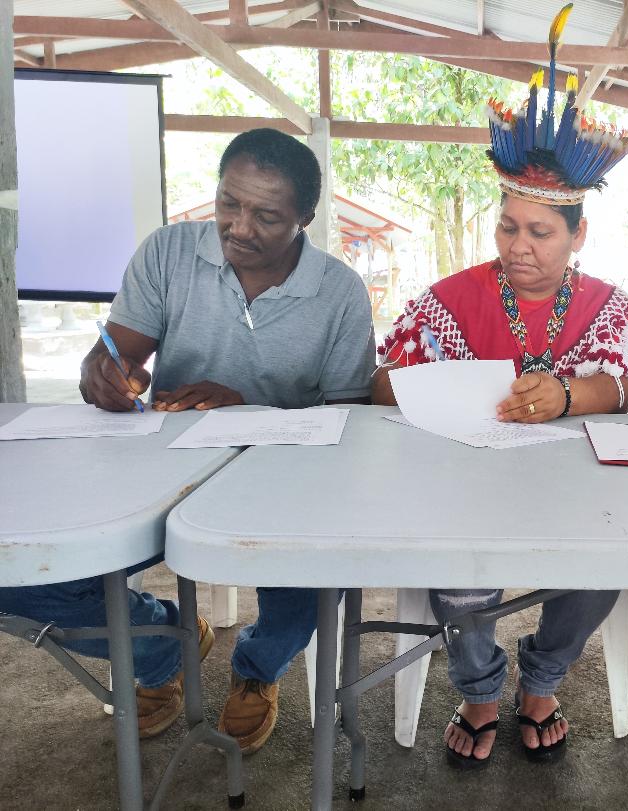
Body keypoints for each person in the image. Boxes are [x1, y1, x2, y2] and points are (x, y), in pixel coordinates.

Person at [0, 129, 376, 753]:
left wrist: (244, 408)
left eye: (266, 216)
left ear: (306, 219)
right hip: (159, 464)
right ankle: (158, 644)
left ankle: (255, 669)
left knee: (318, 574)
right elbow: (112, 355)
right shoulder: (169, 253)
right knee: (22, 574)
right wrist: (105, 377)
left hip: (282, 475)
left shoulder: (339, 292)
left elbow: (346, 423)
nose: (239, 227)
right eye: (229, 203)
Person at [373, 29, 628, 768]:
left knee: (606, 560)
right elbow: (382, 383)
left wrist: (565, 394)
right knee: (458, 564)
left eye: (539, 230)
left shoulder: (612, 304)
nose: (518, 244)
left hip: (574, 488)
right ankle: (480, 690)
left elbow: (625, 387)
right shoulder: (451, 296)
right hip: (468, 479)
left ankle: (544, 680)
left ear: (578, 232)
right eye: (507, 225)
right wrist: (437, 384)